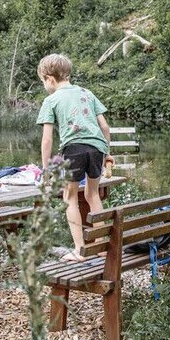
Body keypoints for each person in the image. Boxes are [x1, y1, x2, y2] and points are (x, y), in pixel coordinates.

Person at [36, 54, 111, 260]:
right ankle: (101, 246)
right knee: (92, 195)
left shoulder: (51, 100)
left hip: (74, 149)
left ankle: (80, 250)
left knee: (69, 198)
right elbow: (105, 127)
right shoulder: (87, 93)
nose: (44, 85)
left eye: (43, 81)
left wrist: (46, 170)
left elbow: (47, 140)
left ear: (50, 78)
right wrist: (107, 154)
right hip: (97, 148)